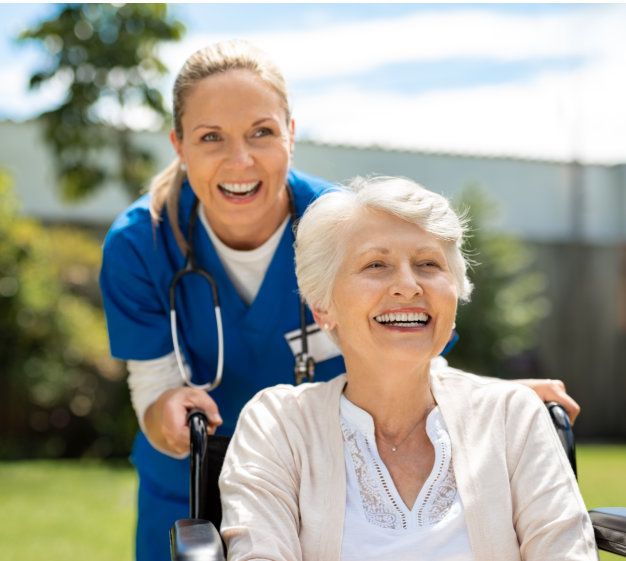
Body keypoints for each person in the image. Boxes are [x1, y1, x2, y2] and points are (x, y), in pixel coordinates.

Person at [99, 41, 581, 561]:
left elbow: (411, 337)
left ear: (291, 134)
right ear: (179, 144)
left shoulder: (345, 229)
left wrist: (493, 408)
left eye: (262, 132)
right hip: (191, 478)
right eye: (211, 137)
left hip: (333, 475)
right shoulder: (138, 246)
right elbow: (152, 386)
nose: (240, 160)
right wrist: (166, 412)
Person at [219, 176, 597, 561]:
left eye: (428, 264)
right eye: (376, 264)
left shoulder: (510, 415)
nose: (408, 285)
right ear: (322, 307)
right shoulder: (277, 425)